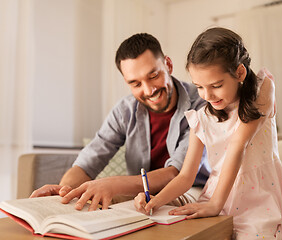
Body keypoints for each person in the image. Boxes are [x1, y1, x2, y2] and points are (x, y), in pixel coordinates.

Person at [134, 27, 282, 239]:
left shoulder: (262, 89)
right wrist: (155, 201)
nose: (207, 95)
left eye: (216, 85)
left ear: (240, 73)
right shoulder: (202, 117)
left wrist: (215, 205)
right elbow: (186, 176)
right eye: (199, 87)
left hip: (257, 196)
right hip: (215, 193)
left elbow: (238, 143)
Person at [30, 33, 210, 211]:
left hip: (191, 188)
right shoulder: (125, 110)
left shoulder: (201, 103)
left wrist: (113, 183)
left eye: (153, 76)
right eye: (135, 84)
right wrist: (64, 191)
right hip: (140, 191)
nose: (148, 90)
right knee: (94, 203)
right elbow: (90, 159)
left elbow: (176, 173)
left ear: (168, 65)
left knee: (157, 203)